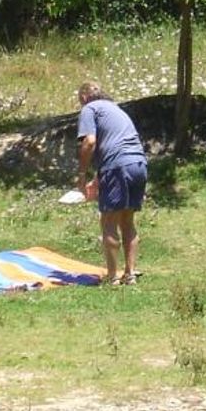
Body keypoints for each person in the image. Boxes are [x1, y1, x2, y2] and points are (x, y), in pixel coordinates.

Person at [74, 81, 148, 286]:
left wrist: (81, 174)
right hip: (138, 164)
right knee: (127, 221)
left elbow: (90, 142)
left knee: (108, 222)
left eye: (80, 101)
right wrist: (97, 180)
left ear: (85, 97)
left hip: (117, 167)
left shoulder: (90, 109)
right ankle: (130, 273)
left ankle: (113, 276)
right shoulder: (115, 110)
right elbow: (117, 144)